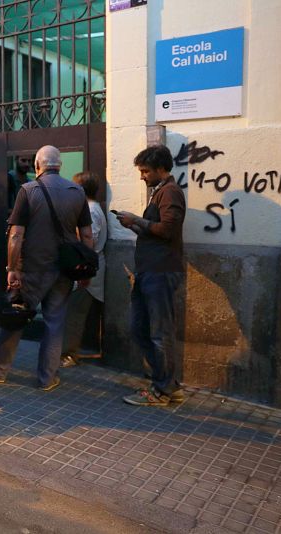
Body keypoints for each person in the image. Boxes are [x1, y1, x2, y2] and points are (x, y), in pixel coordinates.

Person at [0, 145, 93, 391]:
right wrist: (86, 270)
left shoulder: (28, 190)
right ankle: (47, 378)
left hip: (32, 268)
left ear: (37, 165)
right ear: (59, 165)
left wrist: (12, 268)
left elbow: (15, 235)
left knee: (16, 316)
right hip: (64, 269)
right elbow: (86, 234)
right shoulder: (77, 192)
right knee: (55, 323)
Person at [115, 144, 186, 407]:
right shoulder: (160, 191)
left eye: (145, 171)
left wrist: (136, 219)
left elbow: (167, 230)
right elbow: (154, 234)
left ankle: (163, 391)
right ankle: (166, 384)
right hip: (148, 271)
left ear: (160, 168)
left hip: (161, 272)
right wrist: (133, 225)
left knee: (159, 333)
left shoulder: (171, 192)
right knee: (139, 329)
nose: (142, 176)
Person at [60, 171, 107, 368]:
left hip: (87, 269)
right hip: (86, 267)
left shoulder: (92, 210)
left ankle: (70, 354)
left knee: (75, 314)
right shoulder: (90, 208)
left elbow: (90, 241)